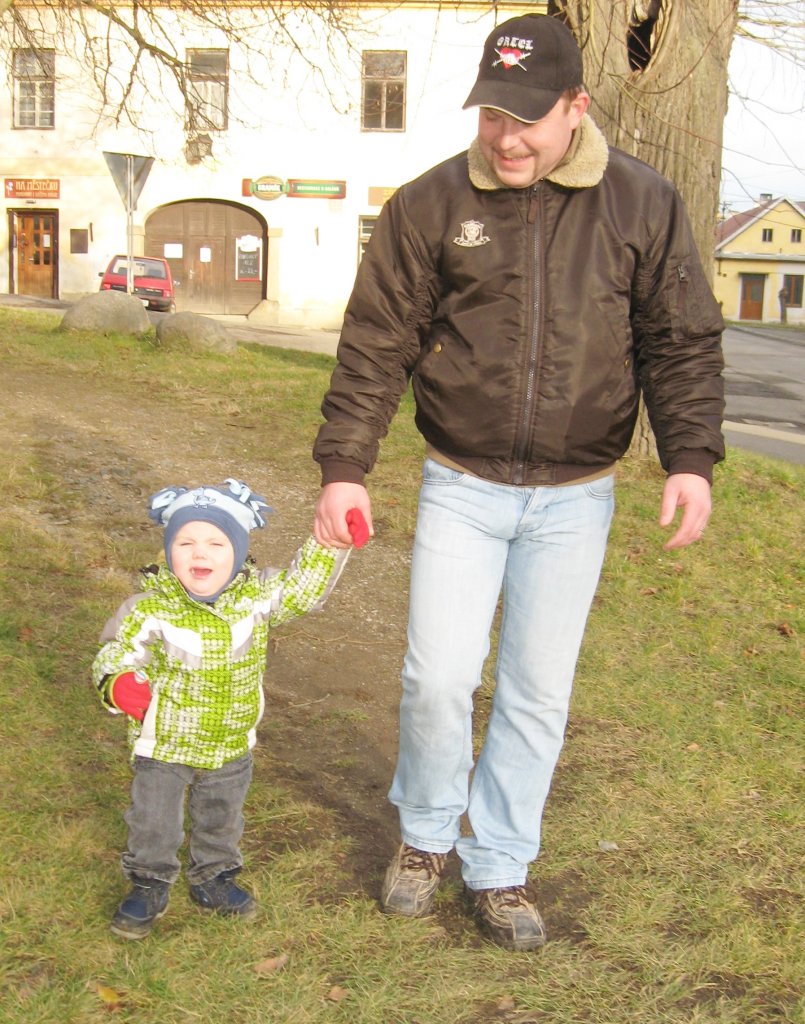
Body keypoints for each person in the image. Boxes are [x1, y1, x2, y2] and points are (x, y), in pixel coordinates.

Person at [312, 13, 725, 952]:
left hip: (576, 496)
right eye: (491, 114)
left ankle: (498, 862)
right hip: (461, 481)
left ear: (576, 106)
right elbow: (377, 342)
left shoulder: (642, 203)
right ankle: (425, 837)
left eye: (526, 119)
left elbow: (679, 341)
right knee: (437, 679)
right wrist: (345, 467)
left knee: (535, 691)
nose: (504, 139)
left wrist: (689, 458)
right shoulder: (427, 205)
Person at [93, 478, 367, 940]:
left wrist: (329, 543)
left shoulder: (255, 600)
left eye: (216, 544)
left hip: (231, 740)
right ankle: (149, 882)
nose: (200, 553)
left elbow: (301, 590)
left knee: (221, 815)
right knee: (153, 819)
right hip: (164, 743)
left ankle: (213, 877)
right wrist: (119, 683)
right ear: (168, 550)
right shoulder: (149, 609)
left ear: (238, 552)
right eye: (186, 543)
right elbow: (115, 652)